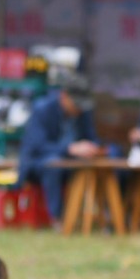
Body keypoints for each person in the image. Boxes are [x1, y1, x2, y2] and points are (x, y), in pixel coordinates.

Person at [19, 74, 102, 219]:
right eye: (76, 104)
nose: (79, 109)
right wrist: (70, 148)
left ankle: (104, 216)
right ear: (64, 96)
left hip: (72, 162)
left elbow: (92, 137)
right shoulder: (43, 109)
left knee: (112, 154)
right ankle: (57, 218)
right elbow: (37, 146)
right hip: (38, 163)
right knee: (53, 164)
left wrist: (93, 147)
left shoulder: (83, 113)